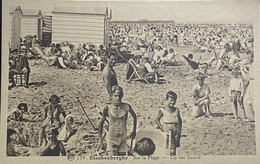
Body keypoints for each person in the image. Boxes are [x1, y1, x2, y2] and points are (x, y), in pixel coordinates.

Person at [98, 86, 137, 156]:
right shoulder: (107, 108)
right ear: (111, 96)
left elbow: (135, 116)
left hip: (123, 139)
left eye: (119, 96)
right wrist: (100, 139)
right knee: (112, 160)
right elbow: (101, 123)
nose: (117, 98)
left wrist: (134, 131)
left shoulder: (126, 106)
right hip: (112, 138)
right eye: (115, 96)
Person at [156, 91, 182, 156]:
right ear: (166, 99)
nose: (172, 102)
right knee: (169, 147)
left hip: (176, 129)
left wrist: (179, 132)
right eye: (171, 100)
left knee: (175, 146)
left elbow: (180, 121)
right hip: (167, 129)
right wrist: (163, 129)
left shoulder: (176, 110)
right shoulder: (163, 109)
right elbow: (157, 120)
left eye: (174, 100)